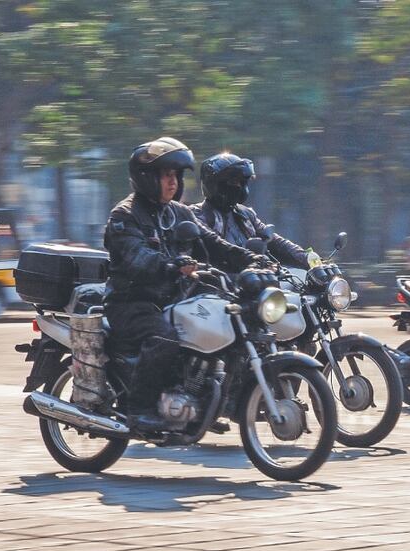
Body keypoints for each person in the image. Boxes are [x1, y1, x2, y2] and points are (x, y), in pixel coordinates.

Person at [103, 137, 263, 429]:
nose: (173, 182)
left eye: (176, 176)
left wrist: (251, 259)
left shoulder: (179, 212)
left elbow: (214, 244)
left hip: (175, 298)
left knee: (224, 326)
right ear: (146, 177)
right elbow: (137, 258)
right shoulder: (124, 215)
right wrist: (171, 265)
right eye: (166, 175)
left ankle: (204, 403)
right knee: (165, 338)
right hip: (132, 303)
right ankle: (139, 409)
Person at [189, 153, 310, 269]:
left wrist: (310, 260)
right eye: (235, 182)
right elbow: (217, 247)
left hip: (256, 278)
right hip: (218, 281)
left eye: (243, 182)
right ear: (215, 184)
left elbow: (277, 243)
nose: (240, 187)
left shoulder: (245, 214)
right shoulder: (197, 215)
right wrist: (250, 260)